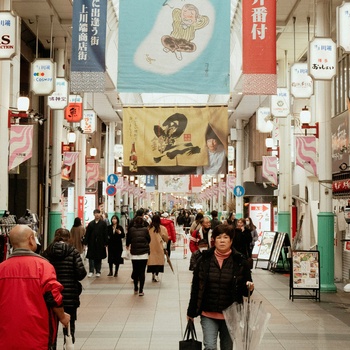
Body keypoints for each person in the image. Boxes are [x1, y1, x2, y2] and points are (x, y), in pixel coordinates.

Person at [0, 225, 70, 350]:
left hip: (5, 338)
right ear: (31, 239)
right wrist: (63, 317)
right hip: (38, 336)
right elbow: (53, 296)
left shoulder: (2, 269)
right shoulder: (43, 267)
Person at [187, 224, 254, 350]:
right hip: (208, 312)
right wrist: (191, 312)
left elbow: (246, 289)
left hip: (230, 314)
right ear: (213, 240)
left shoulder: (240, 261)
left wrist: (249, 287)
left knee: (227, 347)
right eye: (218, 237)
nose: (222, 241)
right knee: (210, 347)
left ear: (231, 240)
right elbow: (196, 287)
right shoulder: (204, 260)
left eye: (225, 237)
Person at [42, 228, 87, 349]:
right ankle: (68, 344)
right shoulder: (73, 252)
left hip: (51, 296)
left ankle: (53, 347)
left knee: (52, 327)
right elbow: (81, 274)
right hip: (70, 295)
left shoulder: (46, 253)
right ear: (69, 238)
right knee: (69, 325)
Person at [126, 216, 151, 296]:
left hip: (134, 253)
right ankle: (141, 290)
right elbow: (149, 239)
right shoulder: (145, 230)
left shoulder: (131, 230)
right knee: (142, 272)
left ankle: (136, 287)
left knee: (135, 271)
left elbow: (128, 240)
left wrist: (128, 245)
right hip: (144, 254)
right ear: (143, 222)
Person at [84, 209, 108, 278]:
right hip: (91, 243)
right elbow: (87, 234)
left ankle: (98, 271)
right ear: (93, 214)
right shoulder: (91, 224)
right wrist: (85, 242)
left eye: (98, 213)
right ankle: (91, 271)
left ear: (100, 214)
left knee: (98, 257)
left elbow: (105, 233)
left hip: (100, 243)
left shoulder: (103, 223)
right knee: (91, 257)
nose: (97, 215)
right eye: (95, 213)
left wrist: (106, 242)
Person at [147, 214, 168, 282]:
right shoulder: (162, 228)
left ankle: (153, 274)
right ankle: (156, 274)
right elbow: (166, 238)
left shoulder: (149, 228)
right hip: (159, 247)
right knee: (158, 262)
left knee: (152, 261)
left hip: (151, 247)